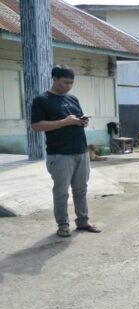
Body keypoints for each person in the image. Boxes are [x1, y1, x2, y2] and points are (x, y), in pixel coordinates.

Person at [30, 65, 101, 237]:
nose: (68, 86)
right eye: (65, 82)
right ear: (54, 79)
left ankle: (83, 221)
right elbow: (36, 125)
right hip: (60, 154)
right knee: (61, 192)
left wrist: (81, 122)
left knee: (81, 189)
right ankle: (63, 225)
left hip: (81, 151)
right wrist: (65, 122)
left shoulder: (73, 99)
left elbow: (76, 119)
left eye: (71, 83)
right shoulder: (42, 100)